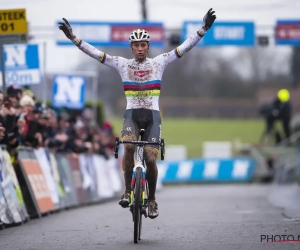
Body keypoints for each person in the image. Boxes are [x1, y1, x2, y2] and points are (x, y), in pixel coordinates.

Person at [58, 8, 216, 219]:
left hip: (152, 116)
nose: (140, 49)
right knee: (129, 147)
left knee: (151, 158)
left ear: (148, 46)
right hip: (131, 114)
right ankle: (126, 191)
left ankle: (151, 200)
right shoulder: (122, 64)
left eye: (143, 45)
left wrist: (203, 29)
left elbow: (183, 48)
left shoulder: (159, 62)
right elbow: (96, 53)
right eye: (136, 45)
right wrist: (74, 38)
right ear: (131, 47)